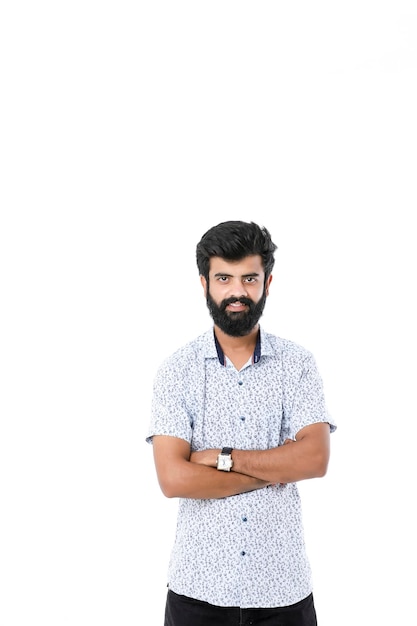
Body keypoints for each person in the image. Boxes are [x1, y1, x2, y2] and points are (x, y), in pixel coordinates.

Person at [146, 220, 336, 626]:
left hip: (283, 591)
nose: (237, 291)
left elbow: (315, 458)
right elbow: (174, 479)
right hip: (198, 592)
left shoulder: (297, 365)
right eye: (224, 278)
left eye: (250, 278)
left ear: (268, 282)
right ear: (204, 283)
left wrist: (223, 458)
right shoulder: (176, 371)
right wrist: (278, 467)